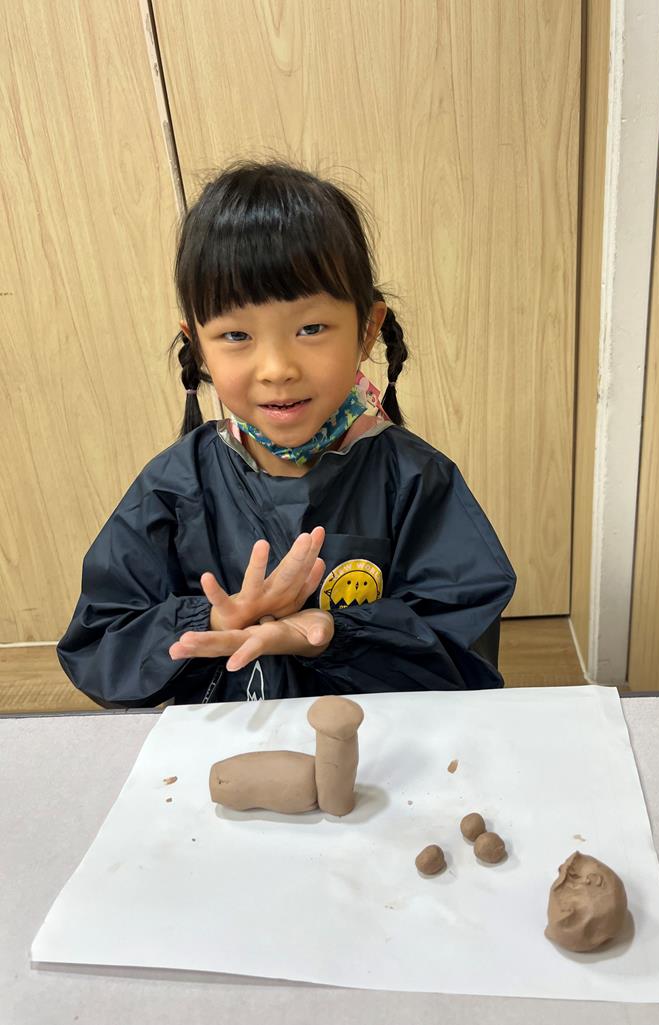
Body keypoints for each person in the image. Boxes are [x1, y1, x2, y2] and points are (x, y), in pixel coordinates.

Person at [56, 159, 517, 707]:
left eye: (311, 328)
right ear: (198, 345)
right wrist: (210, 619)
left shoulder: (416, 480)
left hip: (368, 740)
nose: (277, 368)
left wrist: (336, 635)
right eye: (236, 335)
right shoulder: (175, 486)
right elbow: (99, 642)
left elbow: (463, 654)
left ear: (367, 330)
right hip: (228, 743)